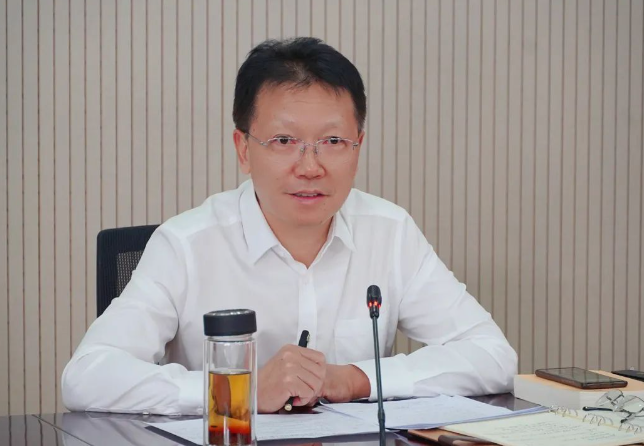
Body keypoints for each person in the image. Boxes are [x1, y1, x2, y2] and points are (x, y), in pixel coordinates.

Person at [62, 37, 517, 415]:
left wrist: (354, 379)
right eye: (284, 140)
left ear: (358, 147)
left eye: (333, 141)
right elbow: (87, 376)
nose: (310, 166)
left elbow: (493, 357)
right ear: (243, 149)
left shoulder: (389, 232)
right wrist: (239, 391)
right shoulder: (185, 245)